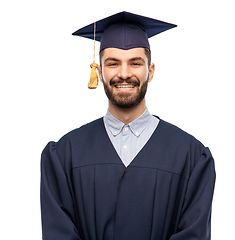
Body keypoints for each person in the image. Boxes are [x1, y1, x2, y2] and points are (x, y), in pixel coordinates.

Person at [40, 11, 216, 240]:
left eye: (135, 63)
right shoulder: (64, 155)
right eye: (113, 64)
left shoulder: (190, 156)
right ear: (100, 72)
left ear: (150, 72)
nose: (124, 74)